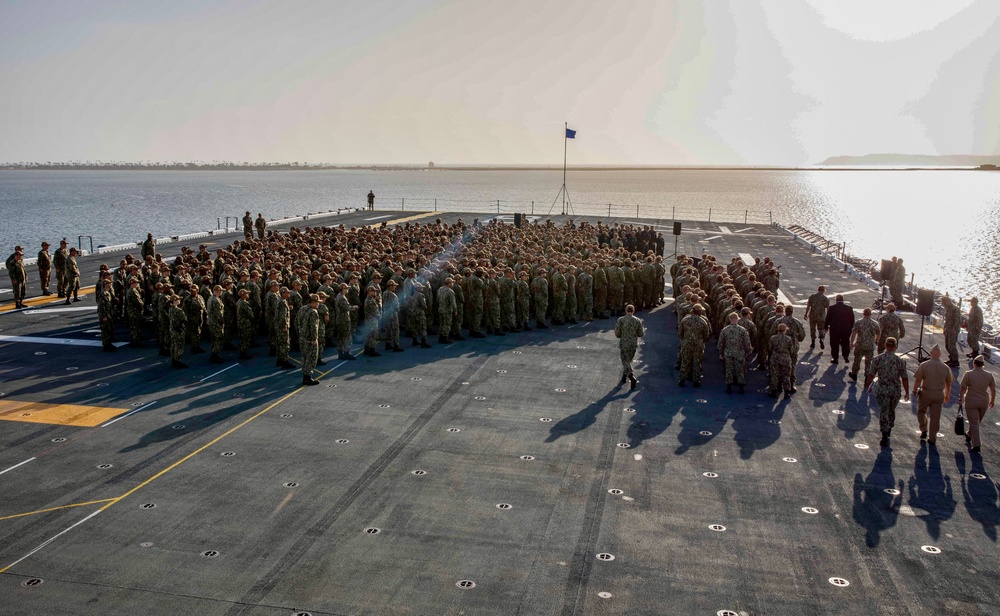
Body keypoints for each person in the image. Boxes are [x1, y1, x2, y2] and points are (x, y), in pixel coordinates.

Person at [865, 337, 909, 447]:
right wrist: (907, 392)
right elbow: (904, 378)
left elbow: (871, 374)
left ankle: (884, 431)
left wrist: (867, 386)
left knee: (883, 410)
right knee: (891, 409)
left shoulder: (878, 359)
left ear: (885, 345)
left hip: (882, 390)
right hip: (895, 391)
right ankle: (889, 427)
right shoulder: (900, 361)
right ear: (895, 346)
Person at [912, 344, 953, 444]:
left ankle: (924, 428)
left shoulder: (924, 365)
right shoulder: (946, 367)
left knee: (921, 412)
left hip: (926, 392)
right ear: (940, 354)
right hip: (939, 394)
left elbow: (918, 380)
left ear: (930, 353)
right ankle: (932, 438)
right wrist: (947, 394)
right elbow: (949, 383)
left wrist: (914, 390)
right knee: (935, 417)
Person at [959, 355, 995, 453]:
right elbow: (992, 389)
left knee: (974, 422)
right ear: (983, 364)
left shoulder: (968, 374)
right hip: (984, 401)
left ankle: (977, 445)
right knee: (976, 421)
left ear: (974, 363)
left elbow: (963, 388)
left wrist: (960, 399)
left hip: (971, 400)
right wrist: (992, 400)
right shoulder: (989, 375)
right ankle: (969, 434)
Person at [718, 311, 751, 394]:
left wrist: (721, 353)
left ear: (729, 319)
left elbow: (720, 343)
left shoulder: (725, 330)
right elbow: (747, 343)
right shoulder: (742, 330)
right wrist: (747, 352)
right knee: (740, 370)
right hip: (739, 353)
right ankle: (741, 388)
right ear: (737, 319)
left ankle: (729, 387)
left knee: (729, 370)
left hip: (728, 353)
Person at [678, 304, 710, 387]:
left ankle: (682, 379)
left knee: (685, 361)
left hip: (686, 343)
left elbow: (680, 332)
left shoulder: (685, 320)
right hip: (698, 345)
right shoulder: (703, 321)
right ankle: (696, 380)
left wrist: (684, 339)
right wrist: (703, 341)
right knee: (697, 362)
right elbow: (706, 335)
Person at [614, 303, 644, 390]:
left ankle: (631, 376)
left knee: (625, 361)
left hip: (624, 343)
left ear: (626, 311)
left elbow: (617, 333)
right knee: (628, 360)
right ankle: (624, 376)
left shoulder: (621, 320)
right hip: (633, 344)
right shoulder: (638, 321)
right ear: (633, 311)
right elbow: (641, 334)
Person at [849, 308, 881, 382]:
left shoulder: (859, 322)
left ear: (863, 313)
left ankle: (854, 374)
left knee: (857, 360)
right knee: (868, 362)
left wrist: (851, 343)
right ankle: (867, 376)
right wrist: (876, 341)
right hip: (870, 345)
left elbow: (854, 333)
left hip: (860, 345)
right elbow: (879, 333)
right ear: (870, 314)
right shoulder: (874, 323)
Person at [297, 294, 321, 385]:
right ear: (313, 303)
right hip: (310, 339)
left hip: (302, 337)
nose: (318, 305)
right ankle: (308, 377)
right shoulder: (313, 312)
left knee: (304, 357)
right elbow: (313, 327)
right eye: (317, 302)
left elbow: (297, 321)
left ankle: (305, 375)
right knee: (311, 358)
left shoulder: (302, 309)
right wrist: (314, 339)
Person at [768, 322, 796, 398]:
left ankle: (773, 391)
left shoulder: (773, 338)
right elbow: (792, 350)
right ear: (785, 330)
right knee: (786, 376)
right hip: (785, 358)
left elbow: (770, 349)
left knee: (774, 375)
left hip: (775, 358)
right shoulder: (788, 339)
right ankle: (786, 393)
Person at [824, 294, 854, 364]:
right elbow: (852, 320)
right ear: (843, 300)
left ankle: (835, 358)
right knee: (845, 342)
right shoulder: (849, 308)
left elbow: (828, 318)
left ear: (836, 300)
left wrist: (825, 327)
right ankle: (846, 355)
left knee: (834, 343)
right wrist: (851, 328)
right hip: (846, 328)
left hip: (835, 328)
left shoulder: (832, 308)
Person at [805, 285, 830, 349]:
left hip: (812, 315)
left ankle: (813, 343)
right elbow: (828, 309)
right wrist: (828, 318)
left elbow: (808, 306)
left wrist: (806, 314)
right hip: (821, 316)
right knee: (821, 329)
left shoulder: (812, 297)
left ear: (818, 290)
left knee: (812, 329)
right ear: (824, 291)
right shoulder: (825, 299)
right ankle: (821, 339)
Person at [206, 285, 226, 364]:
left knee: (214, 338)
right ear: (218, 291)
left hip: (211, 321)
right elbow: (219, 314)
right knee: (218, 338)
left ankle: (214, 354)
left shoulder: (210, 298)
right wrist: (222, 322)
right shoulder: (216, 301)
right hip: (216, 322)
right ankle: (215, 354)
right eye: (220, 291)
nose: (221, 292)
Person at [168, 294, 189, 369]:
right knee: (179, 346)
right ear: (174, 301)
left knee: (174, 345)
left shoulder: (170, 309)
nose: (179, 300)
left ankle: (174, 360)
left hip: (173, 329)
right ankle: (178, 361)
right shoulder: (178, 310)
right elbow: (184, 319)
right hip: (179, 330)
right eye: (178, 299)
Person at [941, 295, 962, 367]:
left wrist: (954, 329)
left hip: (953, 330)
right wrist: (944, 329)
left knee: (951, 345)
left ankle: (955, 360)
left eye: (944, 303)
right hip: (948, 329)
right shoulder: (948, 309)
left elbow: (957, 321)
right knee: (947, 345)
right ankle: (951, 358)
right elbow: (947, 321)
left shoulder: (955, 309)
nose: (943, 305)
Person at [97, 279, 116, 352]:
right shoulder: (103, 294)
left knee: (109, 329)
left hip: (109, 314)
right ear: (105, 284)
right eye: (109, 283)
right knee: (105, 331)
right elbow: (101, 307)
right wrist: (104, 316)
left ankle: (109, 343)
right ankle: (106, 345)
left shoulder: (108, 293)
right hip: (105, 315)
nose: (110, 284)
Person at [363, 286, 382, 356]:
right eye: (373, 291)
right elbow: (375, 311)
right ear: (369, 292)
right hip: (372, 320)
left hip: (368, 320)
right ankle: (372, 350)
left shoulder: (369, 299)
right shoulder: (371, 301)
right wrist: (380, 318)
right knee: (373, 335)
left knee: (368, 335)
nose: (375, 292)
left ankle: (367, 348)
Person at [125, 278, 144, 347]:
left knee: (134, 326)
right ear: (132, 283)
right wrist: (142, 304)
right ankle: (135, 341)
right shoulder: (132, 291)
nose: (137, 284)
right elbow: (138, 301)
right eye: (136, 283)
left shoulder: (131, 290)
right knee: (135, 326)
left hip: (133, 310)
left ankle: (135, 339)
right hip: (134, 311)